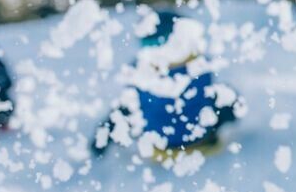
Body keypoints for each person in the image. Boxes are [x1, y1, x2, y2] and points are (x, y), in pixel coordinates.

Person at [91, 9, 242, 158]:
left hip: (159, 149)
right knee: (221, 95)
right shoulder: (199, 66)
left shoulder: (140, 74)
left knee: (131, 108)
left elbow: (124, 110)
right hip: (202, 142)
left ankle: (101, 142)